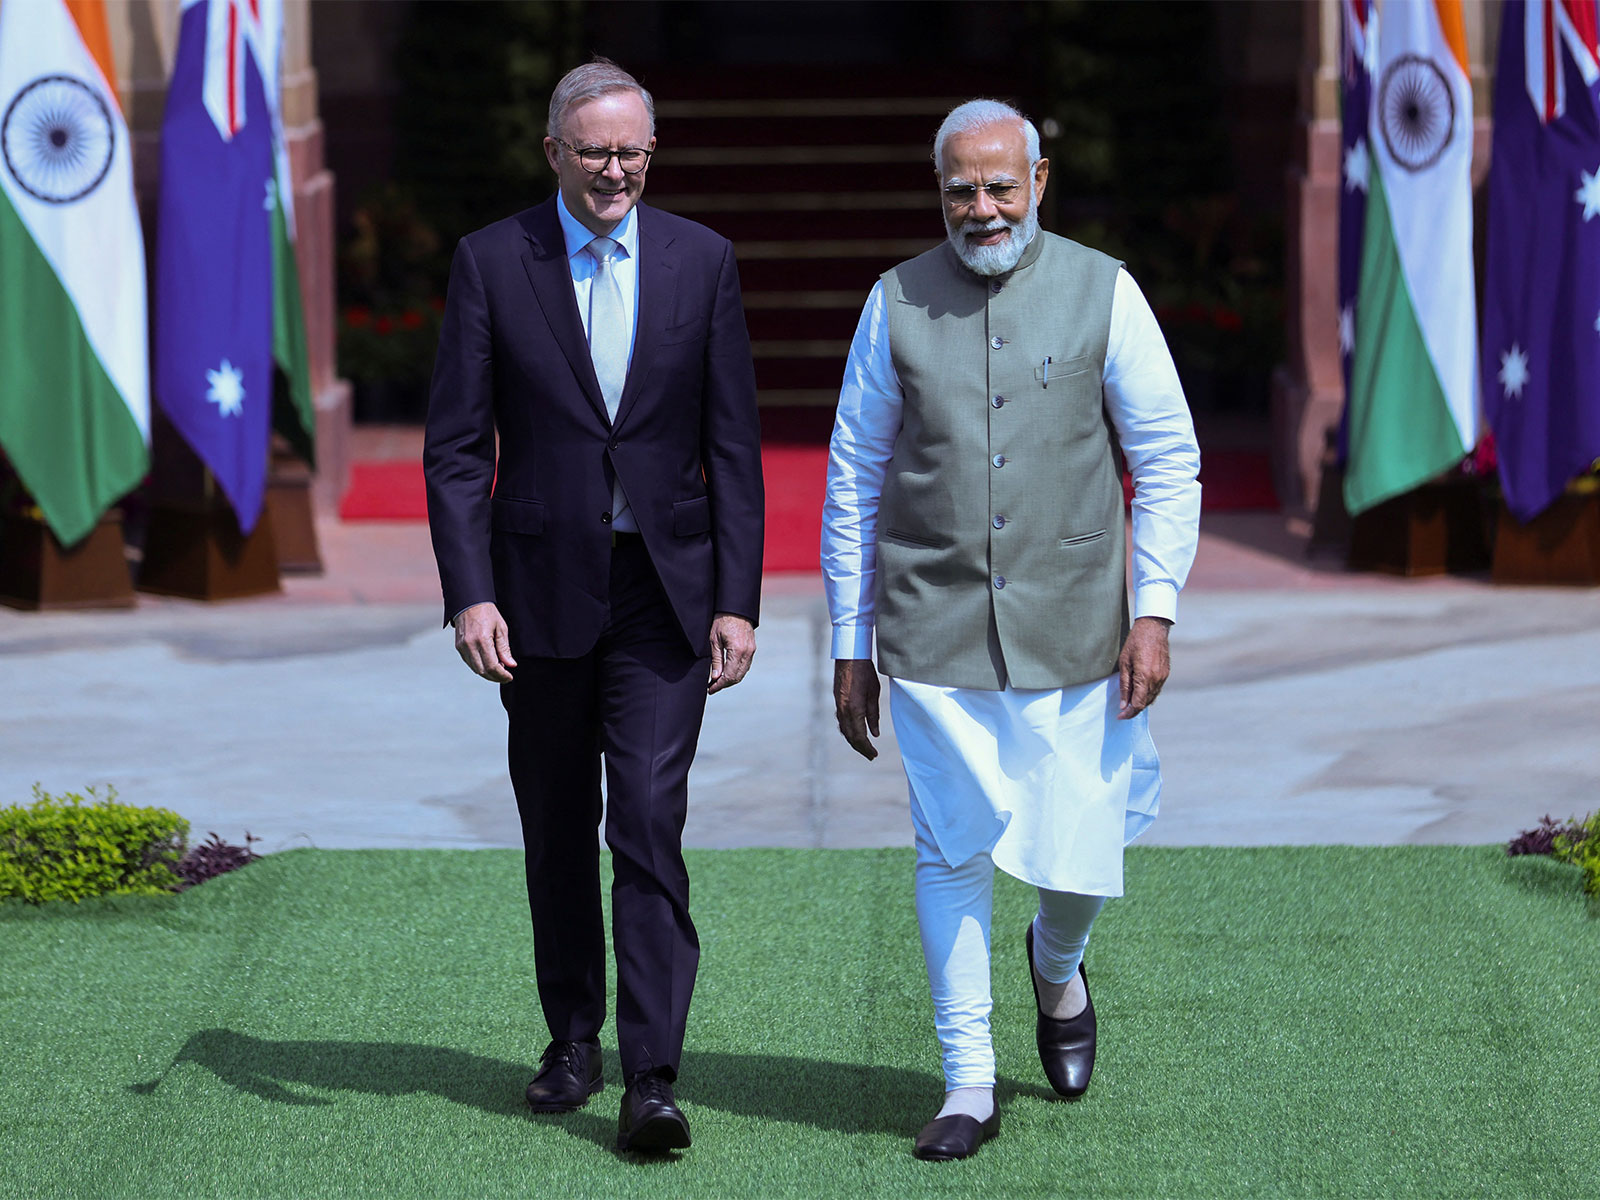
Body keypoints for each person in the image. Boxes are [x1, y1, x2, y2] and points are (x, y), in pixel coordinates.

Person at [822, 98, 1201, 1162]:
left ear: (1039, 181)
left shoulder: (1104, 289)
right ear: (938, 192)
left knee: (1079, 856)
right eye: (961, 191)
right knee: (952, 849)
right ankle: (968, 1081)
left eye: (1000, 186)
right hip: (931, 628)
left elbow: (1166, 457)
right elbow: (853, 474)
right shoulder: (892, 301)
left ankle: (1055, 963)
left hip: (1079, 626)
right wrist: (850, 641)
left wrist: (1155, 610)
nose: (981, 208)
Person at [423, 58, 764, 1154]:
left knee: (649, 820)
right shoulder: (492, 261)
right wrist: (470, 594)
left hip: (666, 594)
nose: (615, 171)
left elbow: (733, 446)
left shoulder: (702, 260)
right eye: (594, 151)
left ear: (650, 153)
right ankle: (572, 1040)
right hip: (536, 596)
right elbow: (455, 448)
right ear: (553, 152)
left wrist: (738, 601)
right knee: (558, 822)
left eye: (632, 152)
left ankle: (652, 1076)